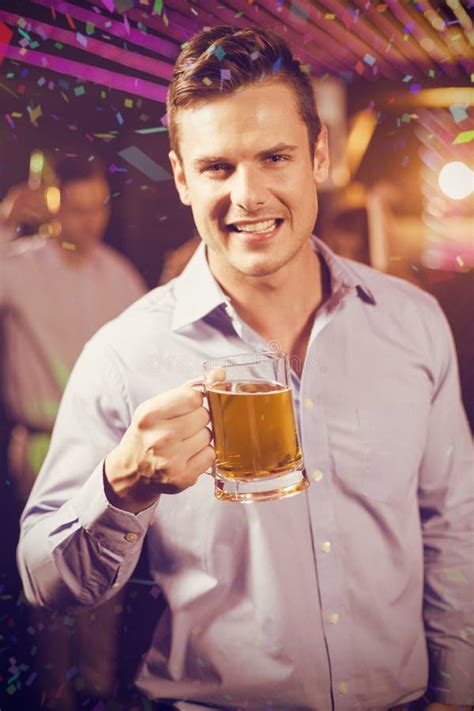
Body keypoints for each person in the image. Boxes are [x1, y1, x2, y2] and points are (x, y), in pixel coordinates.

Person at [17, 26, 473, 711]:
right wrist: (120, 485)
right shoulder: (125, 354)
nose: (248, 195)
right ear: (180, 176)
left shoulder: (411, 323)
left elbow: (455, 532)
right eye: (217, 168)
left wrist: (457, 693)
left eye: (275, 157)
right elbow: (41, 577)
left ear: (317, 154)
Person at [1, 155, 146, 709]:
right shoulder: (18, 263)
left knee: (104, 586)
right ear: (53, 203)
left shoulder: (121, 276)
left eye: (96, 209)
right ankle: (53, 695)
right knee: (45, 586)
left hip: (108, 451)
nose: (89, 222)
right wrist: (4, 221)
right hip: (38, 444)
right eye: (76, 210)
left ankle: (100, 690)